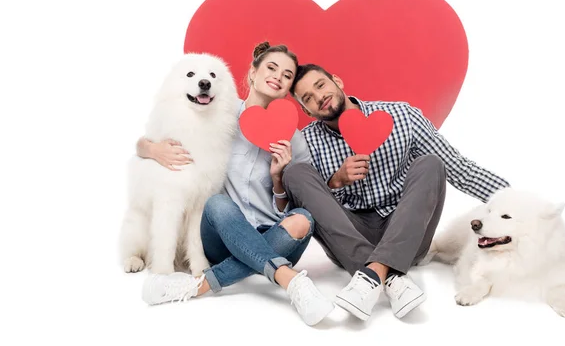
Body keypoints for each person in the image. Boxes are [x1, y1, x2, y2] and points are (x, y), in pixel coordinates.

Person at [282, 63, 511, 321]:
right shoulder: (307, 141)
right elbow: (310, 210)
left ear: (337, 80)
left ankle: (371, 275)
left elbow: (460, 169)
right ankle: (390, 276)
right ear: (305, 110)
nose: (319, 97)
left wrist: (517, 204)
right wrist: (336, 181)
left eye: (320, 85)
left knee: (431, 163)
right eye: (308, 98)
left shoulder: (401, 116)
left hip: (407, 232)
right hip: (350, 237)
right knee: (294, 174)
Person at [135, 43, 335, 326]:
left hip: (273, 235)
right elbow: (154, 136)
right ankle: (289, 280)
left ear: (289, 87)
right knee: (217, 203)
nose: (278, 76)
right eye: (271, 67)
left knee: (304, 219)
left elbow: (292, 204)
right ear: (252, 72)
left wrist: (279, 177)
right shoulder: (221, 114)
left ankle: (199, 285)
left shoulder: (294, 136)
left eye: (287, 75)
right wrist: (152, 149)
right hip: (223, 236)